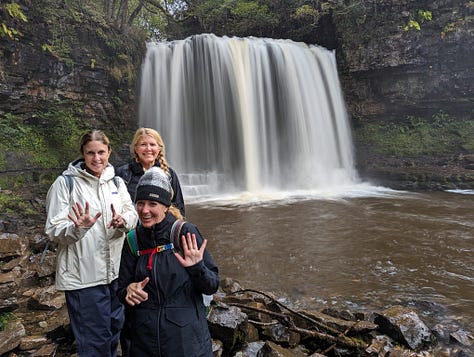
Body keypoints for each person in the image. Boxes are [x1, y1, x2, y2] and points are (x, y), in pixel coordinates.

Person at [44, 130, 138, 357]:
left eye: (101, 152)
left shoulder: (116, 181)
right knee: (94, 341)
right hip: (83, 279)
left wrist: (123, 221)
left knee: (114, 331)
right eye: (91, 153)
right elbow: (53, 230)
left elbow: (132, 214)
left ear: (109, 152)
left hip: (115, 275)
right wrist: (78, 228)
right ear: (83, 155)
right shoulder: (65, 184)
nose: (97, 158)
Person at [117, 167, 219, 357]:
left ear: (165, 205)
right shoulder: (132, 240)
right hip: (144, 343)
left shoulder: (184, 233)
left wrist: (197, 268)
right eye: (140, 203)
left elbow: (211, 286)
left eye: (152, 203)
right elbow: (121, 289)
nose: (144, 210)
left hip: (187, 343)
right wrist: (128, 291)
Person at [115, 127, 185, 216]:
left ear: (159, 148)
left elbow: (179, 207)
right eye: (143, 144)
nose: (148, 149)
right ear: (135, 148)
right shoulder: (123, 173)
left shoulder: (169, 175)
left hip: (162, 228)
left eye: (152, 144)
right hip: (132, 228)